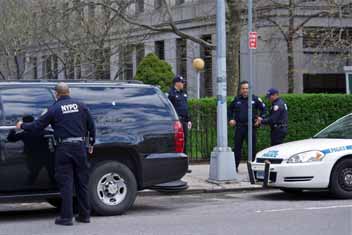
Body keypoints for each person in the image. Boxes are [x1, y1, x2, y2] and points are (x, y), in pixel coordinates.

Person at [16, 82, 96, 226]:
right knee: (82, 183)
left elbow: (37, 126)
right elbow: (91, 125)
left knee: (66, 184)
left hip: (64, 149)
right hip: (80, 147)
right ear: (69, 92)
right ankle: (84, 216)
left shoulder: (54, 109)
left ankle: (66, 218)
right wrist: (91, 144)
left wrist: (21, 125)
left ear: (56, 94)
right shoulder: (81, 106)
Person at [228, 81, 266, 171]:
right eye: (243, 88)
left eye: (246, 88)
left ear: (249, 89)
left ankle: (253, 169)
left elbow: (264, 109)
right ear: (240, 90)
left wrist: (260, 118)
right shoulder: (236, 99)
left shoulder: (255, 99)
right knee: (237, 148)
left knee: (252, 149)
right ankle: (234, 168)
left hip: (251, 128)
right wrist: (230, 119)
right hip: (239, 127)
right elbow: (229, 110)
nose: (245, 90)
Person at [7, 115, 55, 185]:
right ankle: (54, 187)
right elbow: (54, 136)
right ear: (33, 122)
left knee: (33, 173)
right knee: (51, 173)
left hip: (33, 156)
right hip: (47, 155)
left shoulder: (24, 134)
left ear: (24, 123)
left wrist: (12, 131)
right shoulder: (45, 132)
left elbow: (11, 139)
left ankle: (28, 187)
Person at [168, 75, 192, 153]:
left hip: (184, 121)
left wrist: (189, 120)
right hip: (177, 121)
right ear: (176, 83)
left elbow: (186, 107)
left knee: (185, 140)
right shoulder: (171, 94)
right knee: (178, 141)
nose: (183, 84)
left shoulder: (183, 93)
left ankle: (184, 157)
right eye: (181, 82)